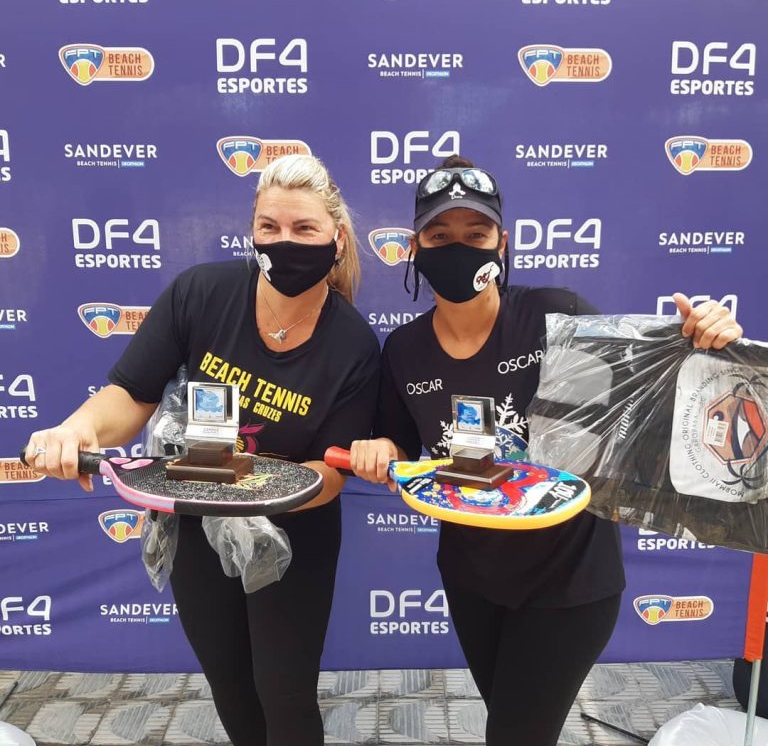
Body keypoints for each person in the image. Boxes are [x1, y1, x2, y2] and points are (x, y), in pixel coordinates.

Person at [350, 155, 743, 746]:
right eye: (440, 236)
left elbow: (652, 391)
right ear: (415, 247)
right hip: (471, 577)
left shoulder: (556, 314)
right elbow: (398, 442)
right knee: (513, 725)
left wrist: (704, 340)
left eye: (475, 234)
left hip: (570, 578)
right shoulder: (403, 349)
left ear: (502, 243)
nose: (458, 248)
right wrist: (378, 449)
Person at [23, 155, 380, 746]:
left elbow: (331, 473)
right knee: (232, 690)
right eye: (269, 227)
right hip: (196, 526)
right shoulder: (201, 293)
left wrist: (256, 493)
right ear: (251, 230)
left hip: (293, 539)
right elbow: (130, 394)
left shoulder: (354, 344)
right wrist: (76, 430)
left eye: (304, 229)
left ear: (337, 239)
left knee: (285, 697)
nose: (284, 242)